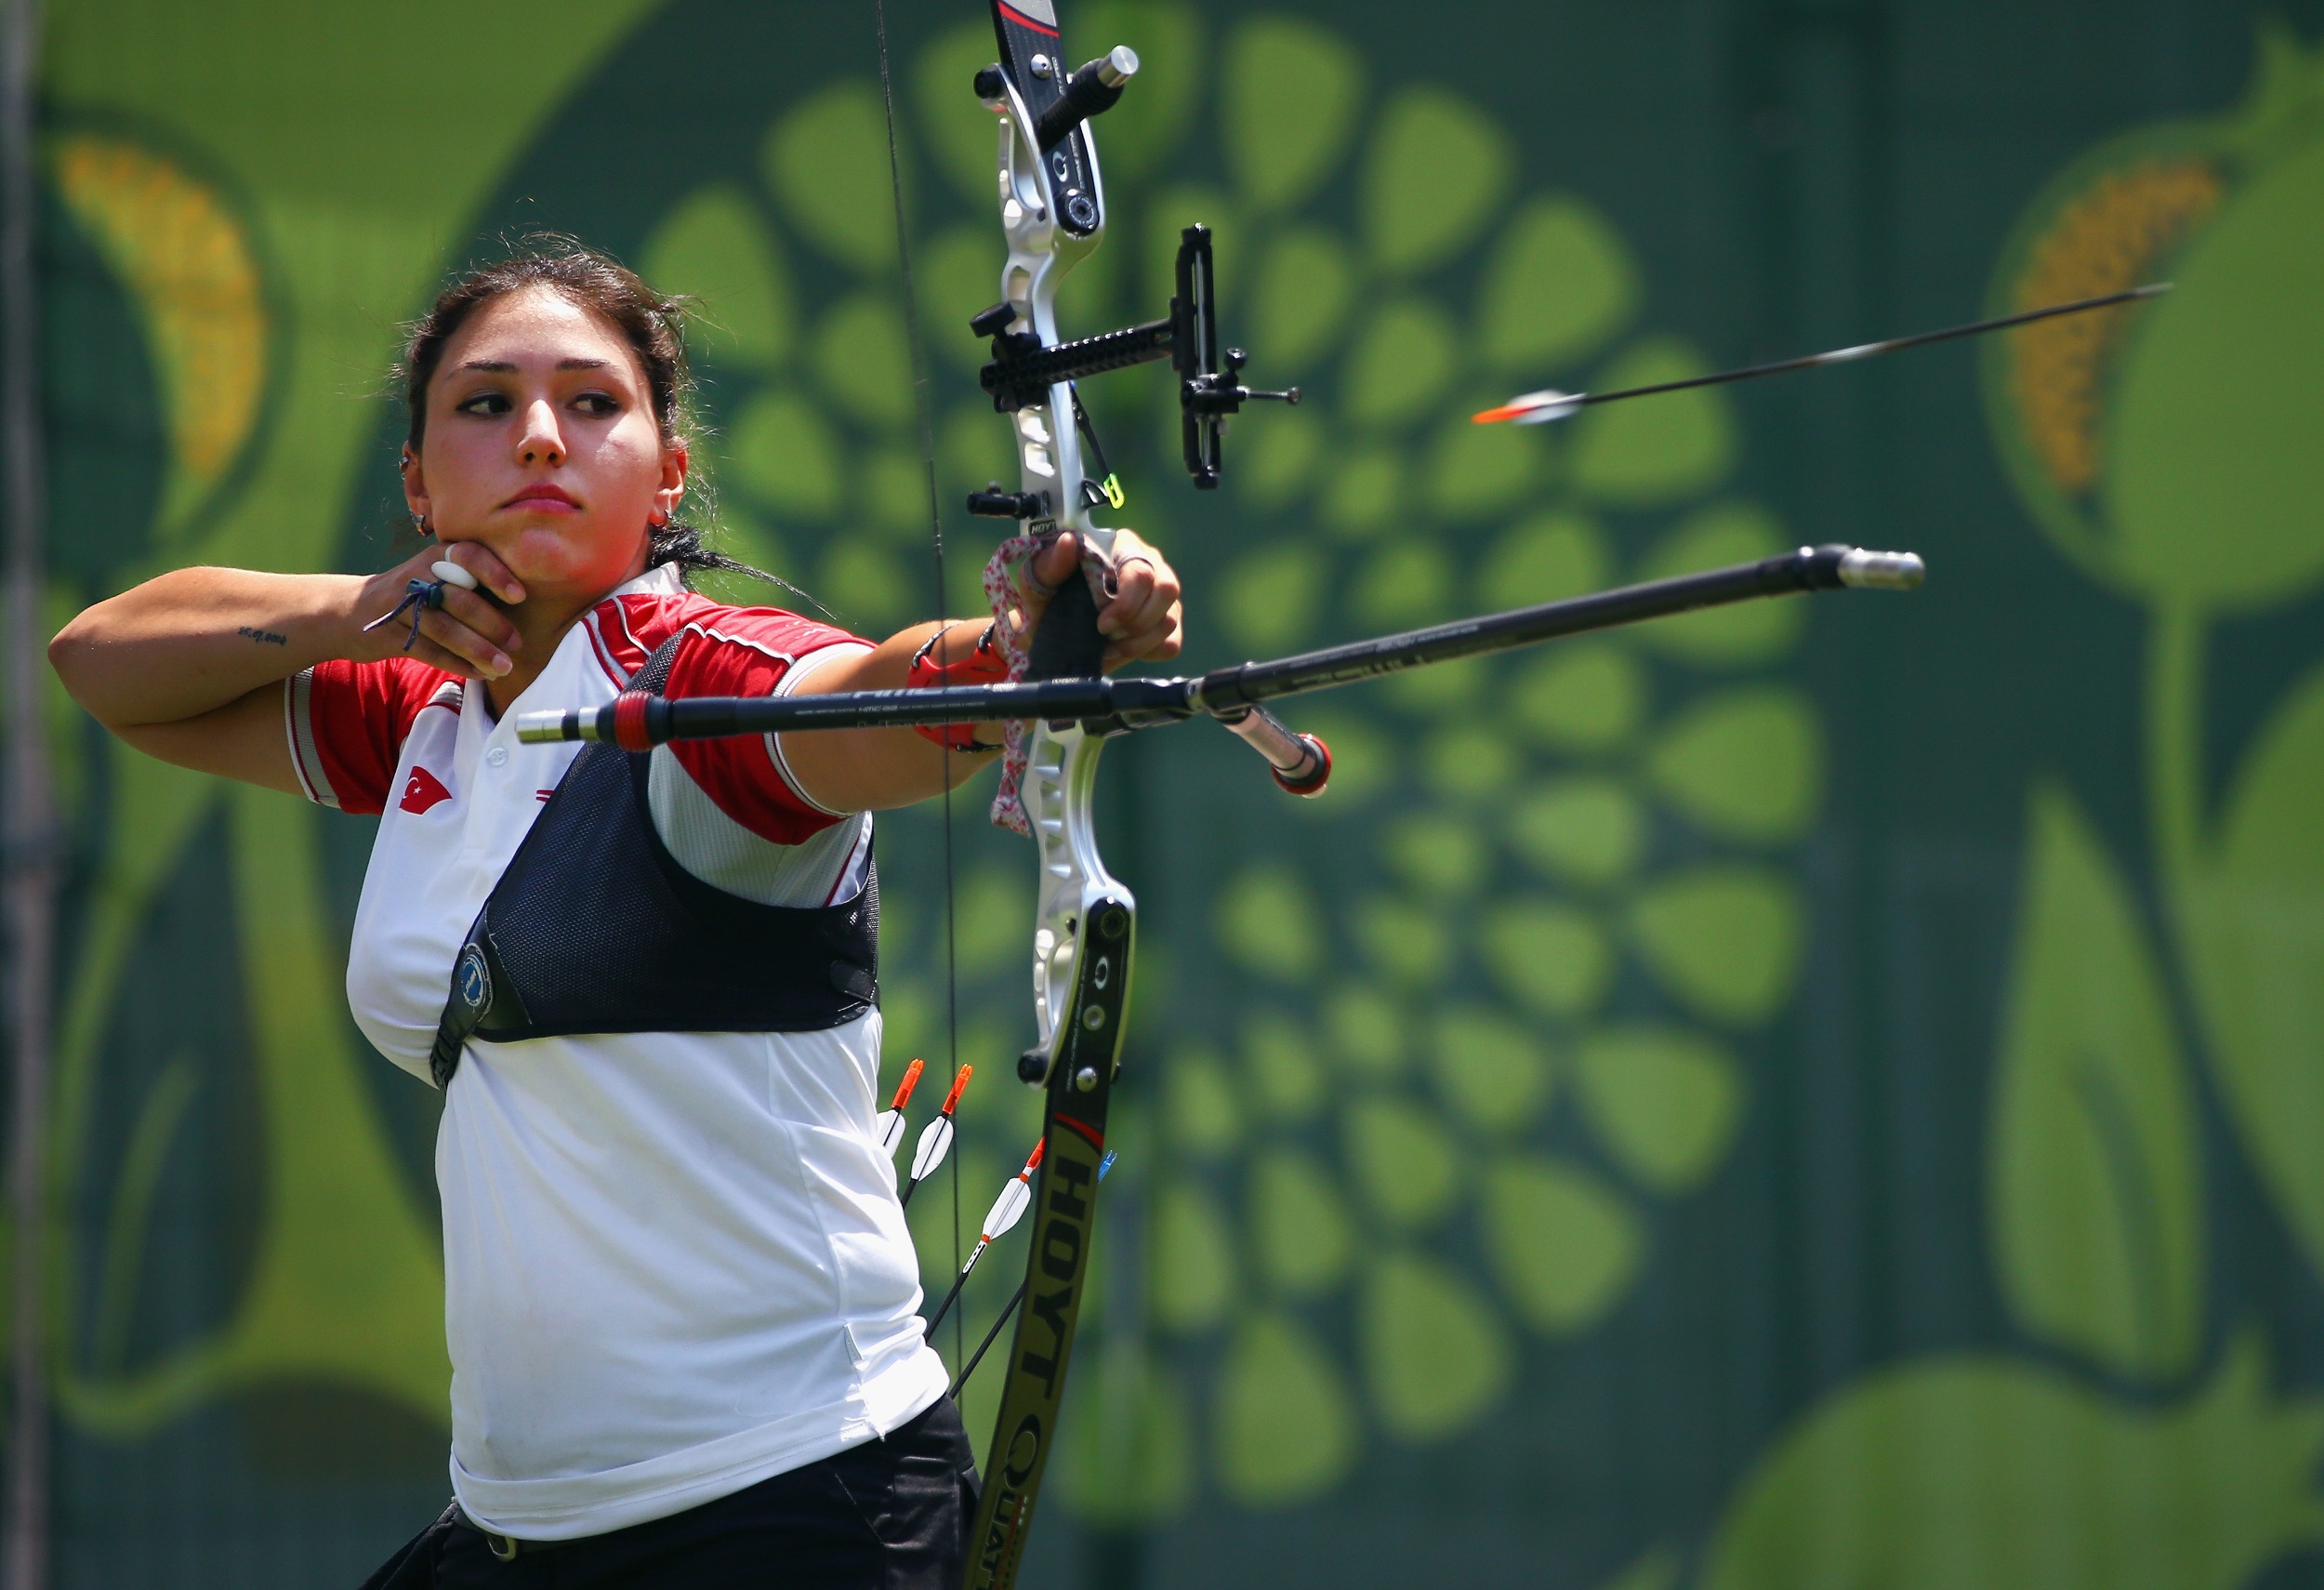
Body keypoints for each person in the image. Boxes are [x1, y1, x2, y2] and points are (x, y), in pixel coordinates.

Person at [47, 239, 1184, 1587]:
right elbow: (102, 663)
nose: (540, 437)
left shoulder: (701, 682)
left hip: (792, 1506)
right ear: (418, 481)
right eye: (485, 404)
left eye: (594, 403)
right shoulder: (424, 716)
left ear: (667, 473)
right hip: (522, 1523)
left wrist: (1024, 651)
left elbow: (862, 706)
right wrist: (358, 608)